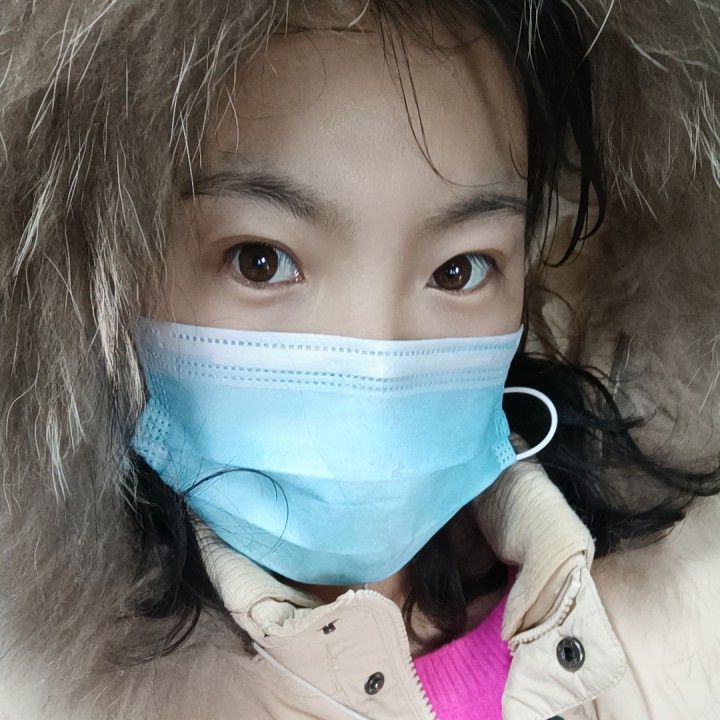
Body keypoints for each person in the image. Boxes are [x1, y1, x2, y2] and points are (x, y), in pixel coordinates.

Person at [1, 1, 719, 719]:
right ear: (109, 286)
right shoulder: (39, 692)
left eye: (460, 270)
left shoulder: (688, 608)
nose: (381, 364)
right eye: (260, 260)